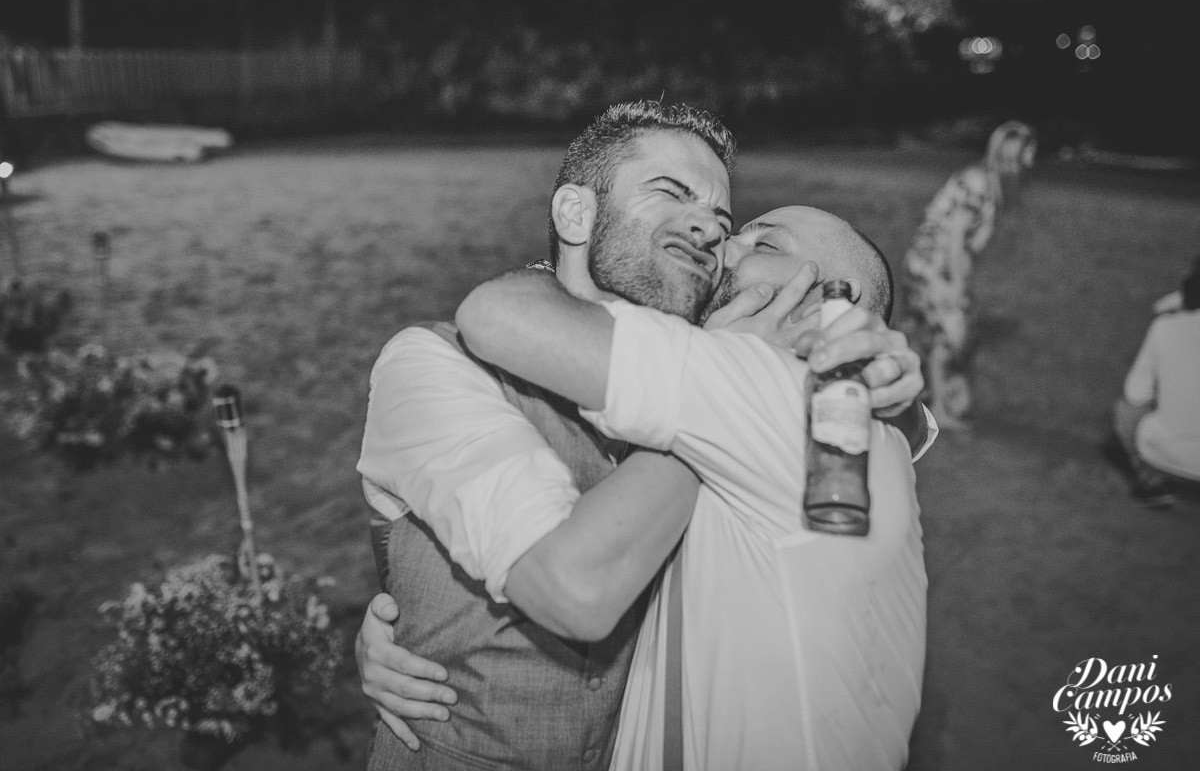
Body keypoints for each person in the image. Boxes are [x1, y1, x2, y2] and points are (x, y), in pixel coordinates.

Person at [357, 100, 930, 770]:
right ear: (575, 213)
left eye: (729, 222)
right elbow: (518, 571)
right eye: (670, 192)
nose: (717, 236)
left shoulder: (736, 380)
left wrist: (865, 366)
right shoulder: (435, 360)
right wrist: (393, 622)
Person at [899, 119, 1037, 429]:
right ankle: (940, 410)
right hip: (933, 268)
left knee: (933, 334)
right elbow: (955, 237)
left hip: (929, 265)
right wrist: (957, 285)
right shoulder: (979, 182)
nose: (1033, 159)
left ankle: (923, 402)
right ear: (1016, 152)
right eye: (1030, 151)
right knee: (950, 333)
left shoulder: (988, 182)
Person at [1110, 259, 1200, 506]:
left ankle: (1152, 481)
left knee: (1126, 410)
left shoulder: (1165, 327)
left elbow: (1135, 395)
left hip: (1165, 458)